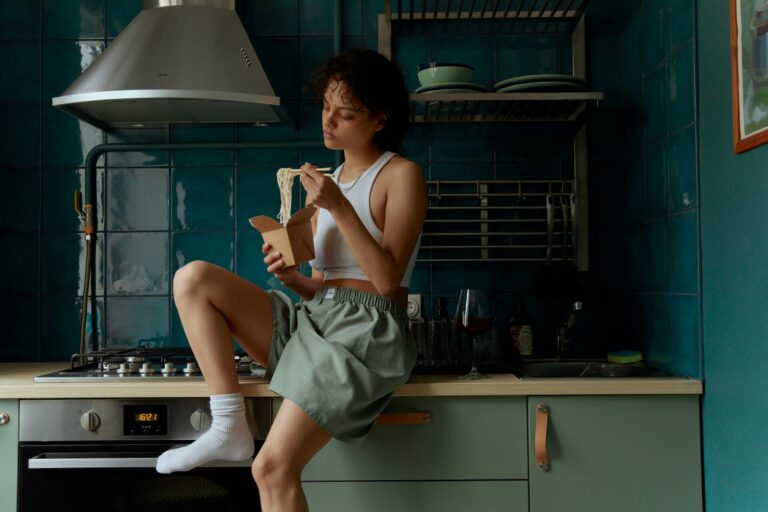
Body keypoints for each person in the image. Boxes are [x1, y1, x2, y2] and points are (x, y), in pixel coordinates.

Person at [155, 47, 427, 512]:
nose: (329, 121)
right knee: (193, 278)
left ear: (379, 119)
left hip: (368, 332)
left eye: (345, 113)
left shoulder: (400, 176)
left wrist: (338, 205)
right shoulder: (334, 176)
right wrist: (292, 278)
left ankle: (237, 438)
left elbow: (385, 282)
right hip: (318, 318)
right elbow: (326, 286)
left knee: (271, 468)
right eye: (326, 106)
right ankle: (228, 423)